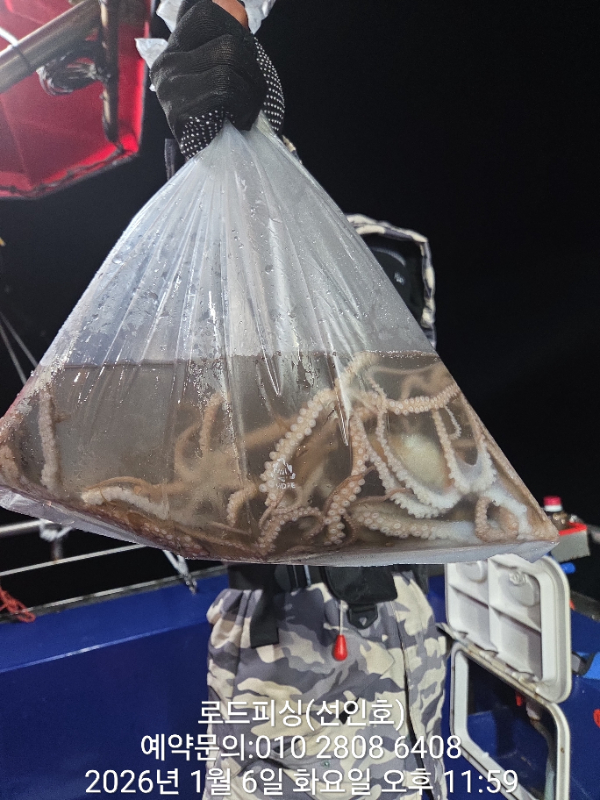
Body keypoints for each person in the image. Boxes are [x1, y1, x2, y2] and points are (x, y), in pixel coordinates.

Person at [151, 3, 448, 797]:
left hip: (406, 633)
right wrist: (210, 143)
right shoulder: (229, 290)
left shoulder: (386, 258)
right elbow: (230, 263)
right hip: (289, 656)